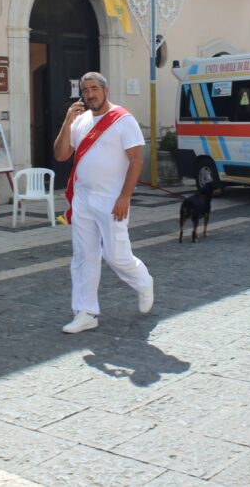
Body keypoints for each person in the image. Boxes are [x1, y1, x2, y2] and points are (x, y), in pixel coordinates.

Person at [54, 71, 154, 334]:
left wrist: (125, 196)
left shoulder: (123, 120)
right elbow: (62, 154)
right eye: (85, 90)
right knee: (83, 255)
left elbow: (136, 160)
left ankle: (143, 281)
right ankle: (86, 311)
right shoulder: (79, 121)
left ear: (105, 90)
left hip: (112, 199)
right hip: (83, 198)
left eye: (94, 88)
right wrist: (67, 121)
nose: (90, 94)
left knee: (116, 255)